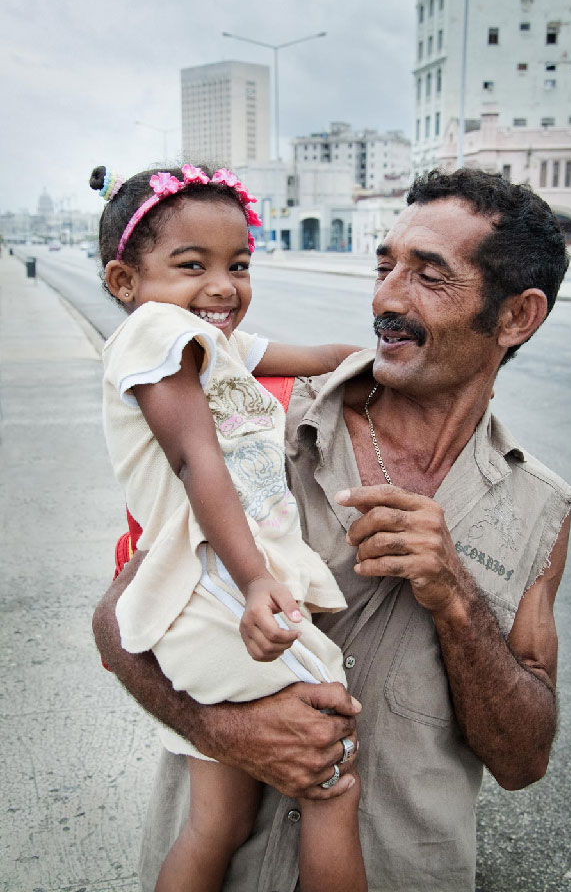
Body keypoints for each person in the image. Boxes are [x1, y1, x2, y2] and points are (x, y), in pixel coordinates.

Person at [93, 168, 571, 892]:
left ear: (516, 317)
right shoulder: (253, 421)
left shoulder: (541, 511)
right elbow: (116, 623)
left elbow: (523, 759)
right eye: (385, 266)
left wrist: (454, 596)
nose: (386, 298)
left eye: (428, 277)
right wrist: (225, 732)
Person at [91, 162, 367, 892]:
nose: (223, 285)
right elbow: (194, 459)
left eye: (239, 264)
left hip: (211, 589)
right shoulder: (155, 333)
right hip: (212, 584)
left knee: (219, 824)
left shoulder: (206, 341)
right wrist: (254, 581)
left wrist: (377, 362)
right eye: (192, 265)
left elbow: (314, 361)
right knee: (334, 776)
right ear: (127, 283)